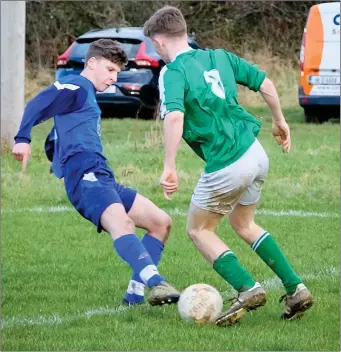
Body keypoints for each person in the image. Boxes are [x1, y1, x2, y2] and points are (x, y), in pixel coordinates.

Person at [143, 6, 314, 326]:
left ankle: (248, 288)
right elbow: (265, 84)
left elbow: (175, 116)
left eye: (153, 44)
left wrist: (169, 165)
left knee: (198, 229)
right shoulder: (219, 56)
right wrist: (280, 121)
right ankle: (296, 289)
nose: (155, 50)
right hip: (256, 153)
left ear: (160, 40)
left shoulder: (172, 72)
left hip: (227, 164)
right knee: (244, 224)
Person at [12, 38, 180, 307]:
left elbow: (58, 129)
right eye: (110, 70)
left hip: (102, 176)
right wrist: (22, 138)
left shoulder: (84, 94)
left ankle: (134, 297)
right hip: (85, 177)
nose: (114, 79)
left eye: (117, 72)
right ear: (91, 63)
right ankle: (156, 282)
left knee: (160, 222)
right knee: (122, 224)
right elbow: (38, 102)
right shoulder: (77, 85)